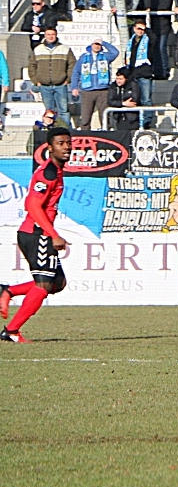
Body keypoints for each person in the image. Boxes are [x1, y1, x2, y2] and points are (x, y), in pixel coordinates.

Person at [0, 126, 72, 342]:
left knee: (57, 283)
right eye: (61, 144)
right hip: (37, 233)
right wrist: (53, 234)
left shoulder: (56, 170)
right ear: (49, 148)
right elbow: (32, 205)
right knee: (43, 286)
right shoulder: (48, 172)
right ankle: (11, 331)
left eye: (68, 143)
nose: (66, 147)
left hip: (39, 232)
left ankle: (7, 291)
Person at [29, 26, 75, 127]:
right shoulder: (38, 49)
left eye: (52, 34)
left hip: (61, 85)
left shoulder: (65, 49)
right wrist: (36, 81)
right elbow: (32, 66)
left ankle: (65, 130)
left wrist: (68, 79)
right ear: (45, 36)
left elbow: (72, 65)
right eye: (48, 34)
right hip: (44, 86)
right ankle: (51, 130)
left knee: (63, 110)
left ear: (56, 35)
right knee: (49, 111)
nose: (51, 37)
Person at [70, 38, 120, 129]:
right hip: (87, 91)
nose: (97, 46)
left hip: (103, 90)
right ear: (91, 45)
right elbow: (76, 72)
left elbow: (115, 52)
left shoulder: (105, 56)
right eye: (95, 44)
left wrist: (104, 42)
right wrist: (74, 87)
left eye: (98, 44)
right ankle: (85, 136)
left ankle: (106, 135)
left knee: (104, 116)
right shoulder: (83, 57)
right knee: (85, 117)